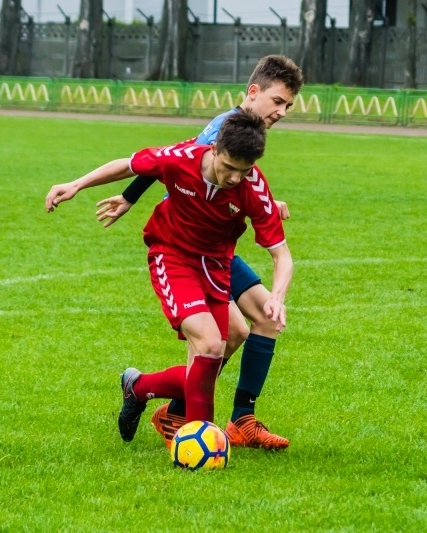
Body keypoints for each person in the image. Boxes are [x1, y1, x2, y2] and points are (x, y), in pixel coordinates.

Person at [44, 110, 293, 444]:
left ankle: (140, 388)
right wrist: (76, 184)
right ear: (215, 149)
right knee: (210, 343)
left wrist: (277, 296)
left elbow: (282, 254)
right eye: (229, 167)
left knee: (213, 355)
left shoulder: (253, 188)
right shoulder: (181, 159)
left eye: (244, 170)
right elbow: (128, 164)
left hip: (216, 267)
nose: (235, 178)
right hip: (171, 255)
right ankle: (202, 443)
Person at [95, 55, 304, 450]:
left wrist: (266, 204)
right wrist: (128, 197)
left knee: (255, 323)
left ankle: (231, 417)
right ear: (253, 92)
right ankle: (187, 416)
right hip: (190, 244)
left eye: (287, 106)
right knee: (219, 338)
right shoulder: (221, 130)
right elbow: (172, 161)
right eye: (278, 102)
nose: (282, 112)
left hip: (218, 249)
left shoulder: (247, 137)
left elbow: (236, 185)